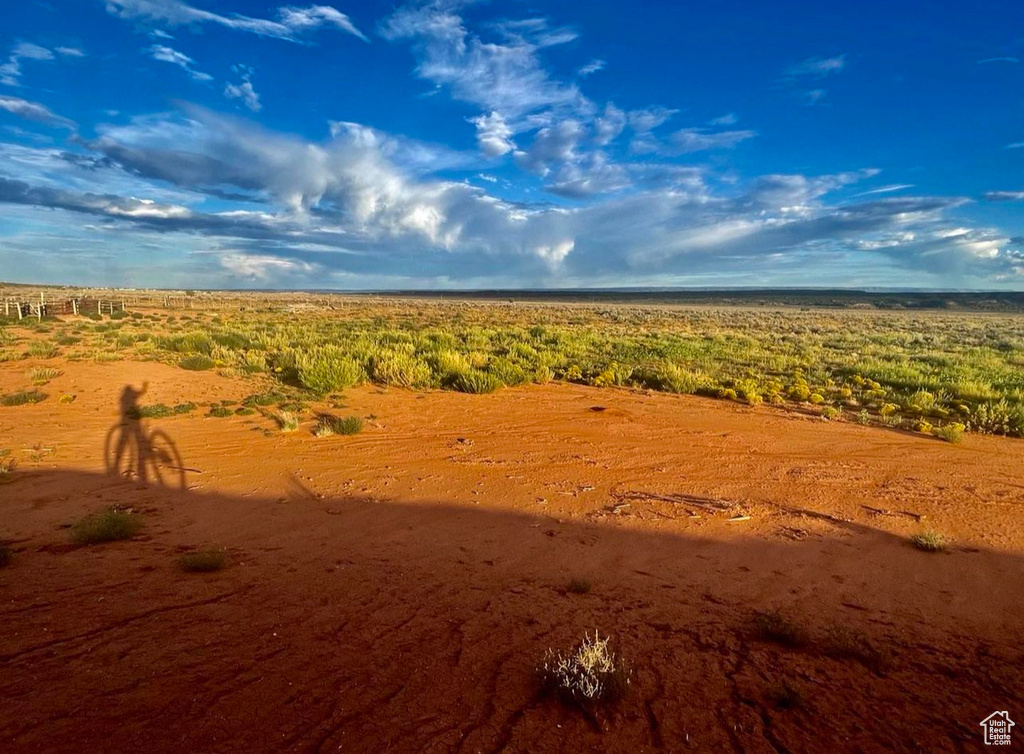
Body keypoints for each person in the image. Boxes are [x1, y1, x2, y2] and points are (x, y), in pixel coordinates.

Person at [112, 382, 149, 483]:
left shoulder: (123, 399)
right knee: (135, 442)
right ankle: (141, 472)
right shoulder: (127, 398)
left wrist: (143, 389)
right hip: (132, 423)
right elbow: (139, 393)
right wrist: (144, 388)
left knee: (123, 441)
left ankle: (115, 465)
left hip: (126, 422)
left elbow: (139, 393)